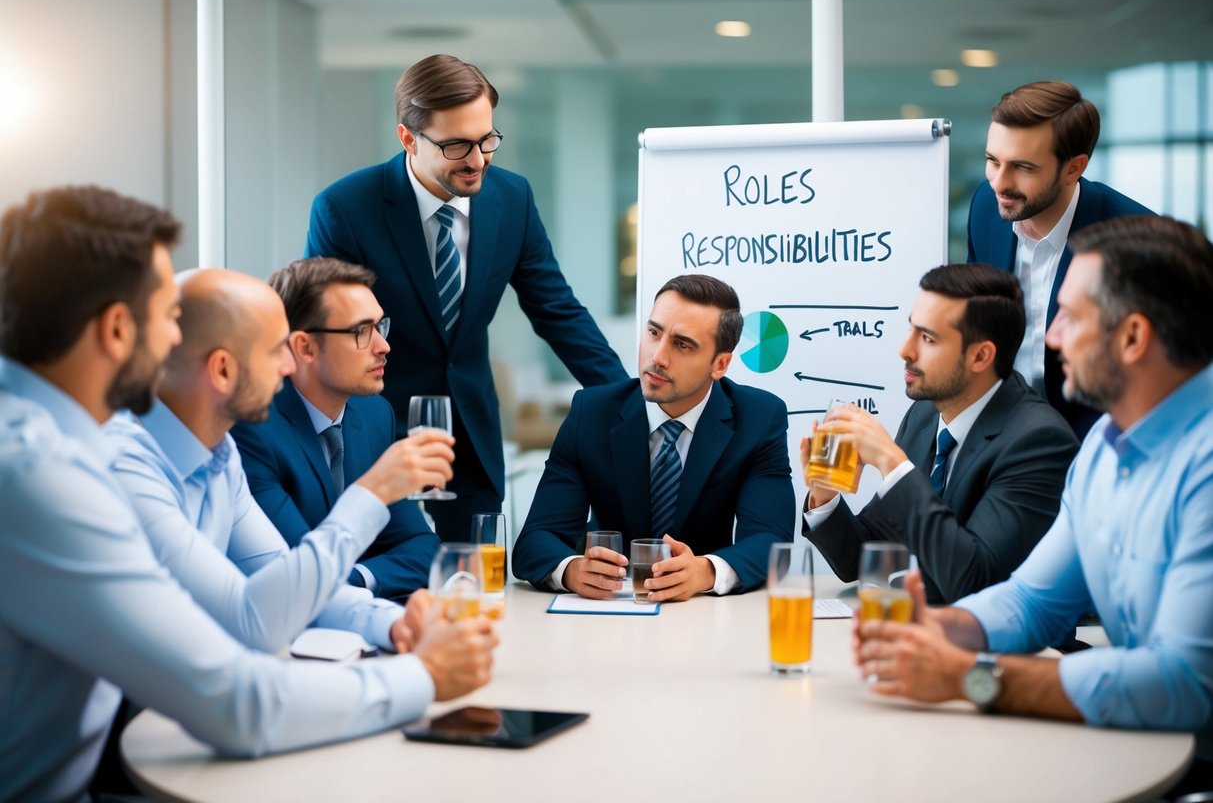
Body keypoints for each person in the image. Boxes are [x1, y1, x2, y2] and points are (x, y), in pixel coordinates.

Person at [0, 186, 494, 802]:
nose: (178, 339)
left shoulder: (117, 449)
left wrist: (391, 625)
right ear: (120, 330)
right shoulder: (45, 476)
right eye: (169, 317)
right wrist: (423, 676)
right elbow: (238, 701)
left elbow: (263, 595)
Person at [857, 217, 1213, 748]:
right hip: (1133, 744)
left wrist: (968, 678)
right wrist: (942, 631)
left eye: (1070, 316)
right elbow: (1032, 602)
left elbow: (1181, 685)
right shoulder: (1103, 448)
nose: (1051, 336)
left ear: (1134, 337)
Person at [306, 53, 627, 541]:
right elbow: (326, 334)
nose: (478, 160)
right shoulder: (346, 208)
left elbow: (557, 310)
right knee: (395, 586)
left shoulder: (511, 198)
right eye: (457, 145)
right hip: (376, 439)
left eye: (487, 140)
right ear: (408, 138)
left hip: (471, 441)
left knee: (477, 588)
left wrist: (626, 405)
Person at [107, 265, 456, 652]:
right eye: (276, 350)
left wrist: (393, 624)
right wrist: (372, 493)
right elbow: (251, 618)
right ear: (222, 369)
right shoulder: (126, 470)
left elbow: (285, 587)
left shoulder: (221, 459)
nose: (289, 367)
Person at [802, 263, 1078, 605]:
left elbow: (973, 581)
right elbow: (864, 558)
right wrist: (824, 496)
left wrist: (893, 464)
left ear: (980, 356)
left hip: (1005, 652)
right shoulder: (925, 413)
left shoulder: (1038, 442)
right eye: (911, 330)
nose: (905, 350)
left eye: (928, 338)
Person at [512, 274, 794, 601]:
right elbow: (535, 539)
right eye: (654, 333)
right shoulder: (591, 413)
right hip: (605, 616)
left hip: (703, 617)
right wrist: (573, 570)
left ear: (720, 364)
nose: (657, 357)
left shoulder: (759, 418)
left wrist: (706, 571)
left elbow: (772, 541)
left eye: (683, 344)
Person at [230, 257, 440, 601]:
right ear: (304, 347)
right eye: (361, 331)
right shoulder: (251, 427)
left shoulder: (375, 415)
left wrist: (356, 580)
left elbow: (422, 547)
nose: (383, 346)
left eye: (380, 326)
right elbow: (295, 571)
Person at [967, 80, 1154, 438]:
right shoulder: (985, 209)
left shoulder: (1137, 240)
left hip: (1096, 439)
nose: (998, 183)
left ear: (1074, 168)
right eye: (992, 161)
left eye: (1022, 167)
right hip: (999, 435)